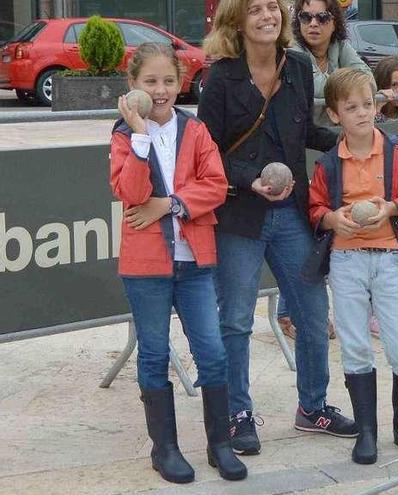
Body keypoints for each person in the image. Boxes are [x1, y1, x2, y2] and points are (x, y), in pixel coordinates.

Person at [198, 0, 357, 457]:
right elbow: (205, 153)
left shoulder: (300, 67)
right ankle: (237, 414)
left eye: (273, 7)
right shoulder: (221, 77)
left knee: (310, 314)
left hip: (291, 212)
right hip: (239, 215)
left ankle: (313, 407)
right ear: (237, 21)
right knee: (235, 320)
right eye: (255, 10)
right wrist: (250, 178)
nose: (267, 16)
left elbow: (303, 130)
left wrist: (351, 139)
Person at [110, 42, 247, 483]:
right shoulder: (123, 134)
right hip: (146, 265)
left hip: (194, 261)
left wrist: (169, 204)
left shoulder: (196, 130)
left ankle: (220, 444)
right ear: (133, 86)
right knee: (152, 353)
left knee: (211, 350)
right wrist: (140, 137)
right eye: (150, 81)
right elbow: (130, 194)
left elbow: (215, 184)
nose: (161, 89)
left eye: (168, 80)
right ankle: (164, 449)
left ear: (181, 82)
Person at [308, 68, 398, 465]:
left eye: (367, 104)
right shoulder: (329, 163)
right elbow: (314, 207)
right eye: (351, 107)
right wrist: (332, 219)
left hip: (390, 259)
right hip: (346, 261)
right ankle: (366, 431)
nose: (362, 113)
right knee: (355, 345)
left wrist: (392, 208)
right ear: (334, 115)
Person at [277, 0, 371, 339]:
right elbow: (318, 89)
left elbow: (365, 81)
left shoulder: (341, 47)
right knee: (303, 233)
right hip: (297, 153)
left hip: (332, 148)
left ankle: (310, 309)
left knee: (325, 231)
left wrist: (339, 91)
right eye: (305, 17)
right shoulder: (290, 50)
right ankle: (288, 311)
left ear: (335, 21)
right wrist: (340, 90)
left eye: (321, 17)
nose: (312, 24)